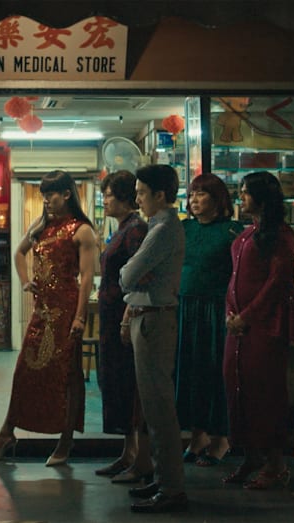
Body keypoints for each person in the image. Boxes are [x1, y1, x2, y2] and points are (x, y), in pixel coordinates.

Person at [0, 171, 97, 466]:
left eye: (51, 194)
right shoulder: (41, 225)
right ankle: (7, 433)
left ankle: (65, 441)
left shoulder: (82, 230)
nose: (46, 200)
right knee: (24, 371)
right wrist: (24, 281)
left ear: (66, 194)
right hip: (41, 311)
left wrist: (79, 318)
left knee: (67, 376)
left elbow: (86, 279)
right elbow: (19, 253)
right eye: (43, 194)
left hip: (66, 311)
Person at [222, 170, 294, 489]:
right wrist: (231, 312)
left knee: (264, 391)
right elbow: (234, 277)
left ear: (262, 197)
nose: (240, 197)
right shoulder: (246, 233)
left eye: (245, 192)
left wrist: (248, 316)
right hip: (237, 326)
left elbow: (277, 282)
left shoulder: (281, 235)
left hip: (265, 326)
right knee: (237, 386)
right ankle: (250, 455)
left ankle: (276, 463)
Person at [119, 164, 188, 513]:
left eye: (142, 193)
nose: (138, 200)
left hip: (154, 320)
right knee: (153, 406)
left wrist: (129, 273)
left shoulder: (162, 230)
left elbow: (128, 274)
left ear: (160, 195)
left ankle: (172, 487)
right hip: (147, 316)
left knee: (159, 408)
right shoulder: (158, 227)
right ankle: (163, 480)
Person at [176, 173, 243, 466]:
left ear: (217, 199)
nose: (194, 200)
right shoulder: (185, 228)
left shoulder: (232, 231)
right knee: (189, 372)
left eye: (201, 194)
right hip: (186, 307)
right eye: (191, 194)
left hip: (216, 310)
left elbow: (240, 274)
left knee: (215, 372)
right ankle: (197, 435)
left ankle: (220, 438)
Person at [93, 170, 152, 482]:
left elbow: (139, 278)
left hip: (123, 317)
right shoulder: (122, 228)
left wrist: (127, 316)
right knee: (116, 382)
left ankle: (140, 458)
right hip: (111, 316)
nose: (105, 200)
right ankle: (128, 453)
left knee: (130, 384)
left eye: (109, 195)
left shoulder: (135, 230)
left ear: (126, 197)